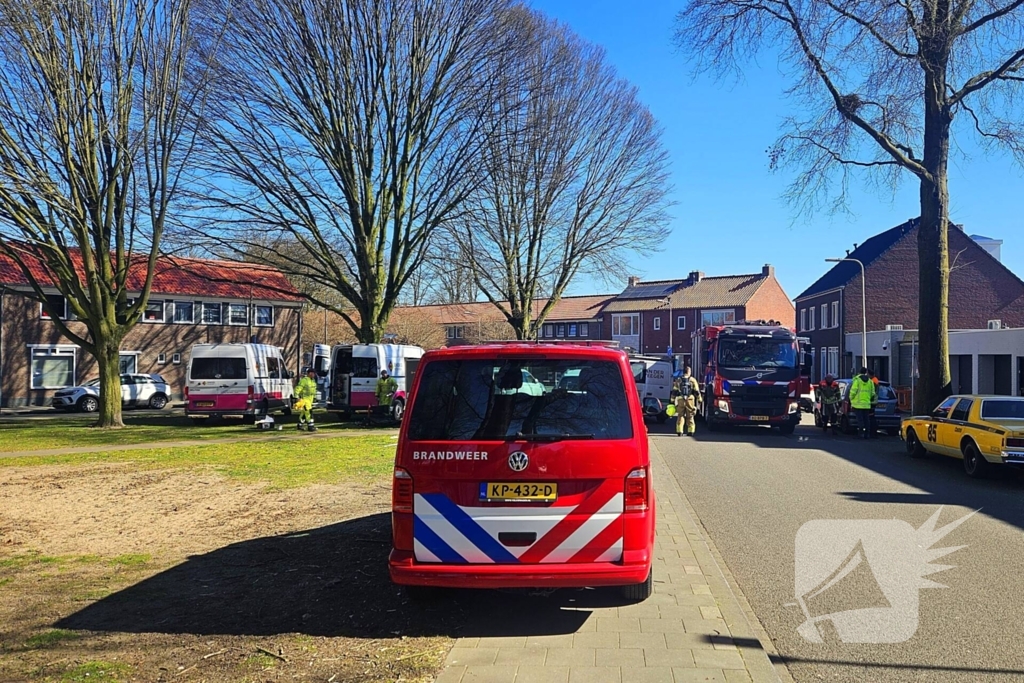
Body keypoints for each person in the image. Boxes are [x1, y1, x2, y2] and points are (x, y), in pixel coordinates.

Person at [849, 367, 877, 440]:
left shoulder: (857, 380)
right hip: (867, 404)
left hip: (857, 405)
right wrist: (867, 399)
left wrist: (851, 398)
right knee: (866, 420)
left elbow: (853, 391)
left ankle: (861, 434)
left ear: (859, 372)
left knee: (860, 420)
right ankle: (867, 434)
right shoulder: (870, 381)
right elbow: (873, 393)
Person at [673, 366, 702, 437]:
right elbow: (697, 391)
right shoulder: (692, 380)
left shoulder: (678, 380)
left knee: (680, 415)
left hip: (680, 399)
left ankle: (679, 431)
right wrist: (699, 399)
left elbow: (674, 391)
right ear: (689, 372)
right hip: (690, 399)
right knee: (690, 415)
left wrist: (672, 400)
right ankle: (690, 431)